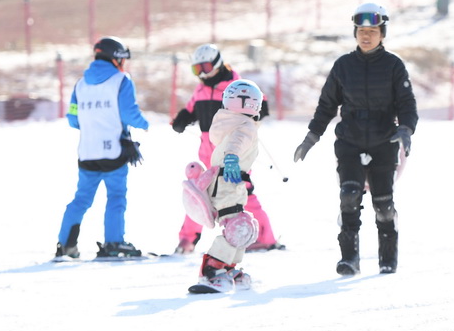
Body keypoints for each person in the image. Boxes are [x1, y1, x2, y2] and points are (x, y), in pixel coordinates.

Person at [292, 2, 418, 276]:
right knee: (349, 197)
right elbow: (326, 105)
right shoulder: (343, 66)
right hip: (350, 141)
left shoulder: (394, 66)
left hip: (384, 141)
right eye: (361, 31)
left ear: (382, 34)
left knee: (383, 205)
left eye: (372, 31)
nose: (366, 36)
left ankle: (387, 258)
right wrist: (312, 136)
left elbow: (407, 103)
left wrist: (406, 129)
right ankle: (349, 259)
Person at [170, 43, 283, 254]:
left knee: (242, 192)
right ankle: (187, 240)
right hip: (207, 152)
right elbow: (191, 109)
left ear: (217, 63)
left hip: (234, 152)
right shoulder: (200, 90)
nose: (202, 73)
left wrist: (251, 115)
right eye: (196, 69)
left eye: (205, 67)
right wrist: (182, 119)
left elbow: (261, 103)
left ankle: (265, 238)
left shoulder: (236, 85)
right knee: (199, 194)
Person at [55, 36, 150, 260]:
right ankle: (113, 243)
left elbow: (73, 119)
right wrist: (145, 124)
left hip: (87, 152)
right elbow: (129, 114)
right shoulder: (121, 80)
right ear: (115, 59)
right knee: (116, 196)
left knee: (81, 199)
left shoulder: (81, 84)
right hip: (114, 151)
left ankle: (66, 244)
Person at [192, 79, 267, 292]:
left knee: (244, 226)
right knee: (237, 226)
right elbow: (238, 142)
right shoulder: (246, 126)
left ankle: (228, 266)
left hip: (230, 182)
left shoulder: (233, 123)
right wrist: (232, 156)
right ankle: (212, 269)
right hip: (227, 183)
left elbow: (235, 140)